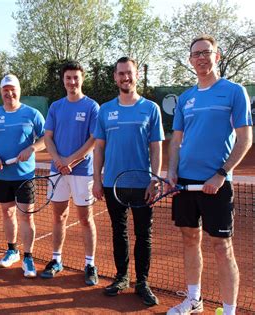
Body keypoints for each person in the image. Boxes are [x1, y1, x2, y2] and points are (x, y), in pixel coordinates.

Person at [166, 35, 252, 315]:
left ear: (217, 56)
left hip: (217, 182)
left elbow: (244, 139)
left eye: (206, 52)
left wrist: (221, 174)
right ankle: (194, 300)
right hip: (185, 184)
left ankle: (229, 311)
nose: (201, 57)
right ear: (190, 61)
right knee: (190, 240)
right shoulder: (186, 98)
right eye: (195, 54)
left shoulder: (234, 91)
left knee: (221, 247)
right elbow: (176, 141)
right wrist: (172, 172)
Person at [92, 57, 164, 306]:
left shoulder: (150, 108)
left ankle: (142, 282)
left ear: (136, 75)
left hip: (142, 184)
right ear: (115, 77)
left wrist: (155, 179)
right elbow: (99, 148)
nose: (125, 77)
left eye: (129, 73)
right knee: (118, 232)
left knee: (144, 235)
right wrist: (96, 180)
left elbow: (156, 148)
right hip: (113, 183)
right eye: (121, 73)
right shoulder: (104, 110)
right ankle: (121, 277)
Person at [0, 74, 45, 278]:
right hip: (1, 176)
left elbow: (46, 138)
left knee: (26, 216)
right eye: (5, 90)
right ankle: (12, 250)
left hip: (24, 175)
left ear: (19, 90)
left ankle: (28, 257)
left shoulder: (32, 114)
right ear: (1, 93)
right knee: (7, 213)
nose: (9, 93)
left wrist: (32, 148)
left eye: (12, 89)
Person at [41, 61, 99, 286]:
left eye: (76, 77)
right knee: (59, 217)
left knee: (85, 219)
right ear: (63, 80)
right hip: (58, 171)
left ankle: (90, 264)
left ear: (82, 79)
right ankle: (56, 260)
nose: (72, 82)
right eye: (68, 78)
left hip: (82, 172)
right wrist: (58, 161)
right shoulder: (56, 107)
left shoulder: (92, 107)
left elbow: (93, 140)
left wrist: (70, 160)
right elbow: (48, 137)